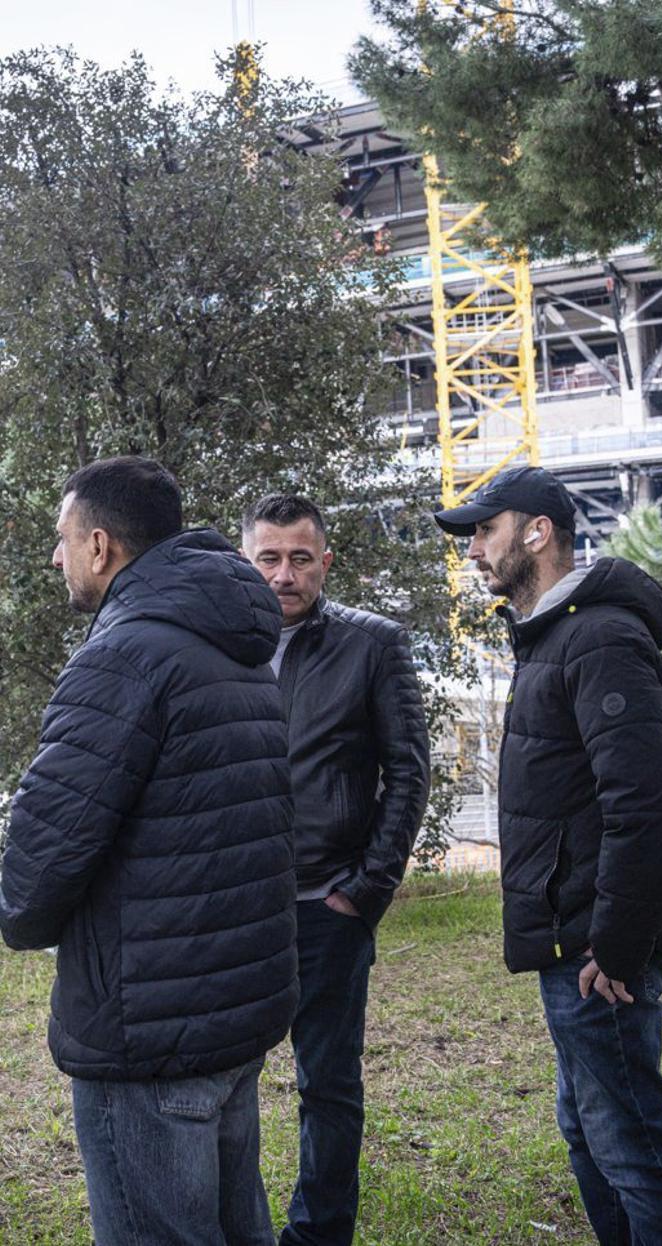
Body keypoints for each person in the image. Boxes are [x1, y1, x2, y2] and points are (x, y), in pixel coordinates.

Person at [0, 456, 297, 1246]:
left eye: (62, 540)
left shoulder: (123, 656)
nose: (55, 559)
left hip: (147, 1029)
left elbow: (43, 854)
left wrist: (17, 912)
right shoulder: (236, 647)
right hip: (228, 1012)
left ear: (101, 546)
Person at [434, 466, 662, 1246]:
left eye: (485, 530)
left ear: (538, 532)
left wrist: (616, 943)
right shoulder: (556, 637)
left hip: (596, 944)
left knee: (631, 1142)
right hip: (576, 932)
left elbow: (647, 806)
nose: (476, 550)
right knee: (592, 1131)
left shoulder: (599, 639)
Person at [241, 494, 430, 1246]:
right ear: (245, 560)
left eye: (300, 558)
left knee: (329, 1086)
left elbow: (409, 775)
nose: (284, 575)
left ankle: (318, 1236)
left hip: (329, 905)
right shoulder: (220, 645)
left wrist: (367, 889)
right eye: (269, 558)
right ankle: (240, 1224)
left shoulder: (373, 644)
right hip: (239, 909)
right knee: (225, 1087)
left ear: (327, 561)